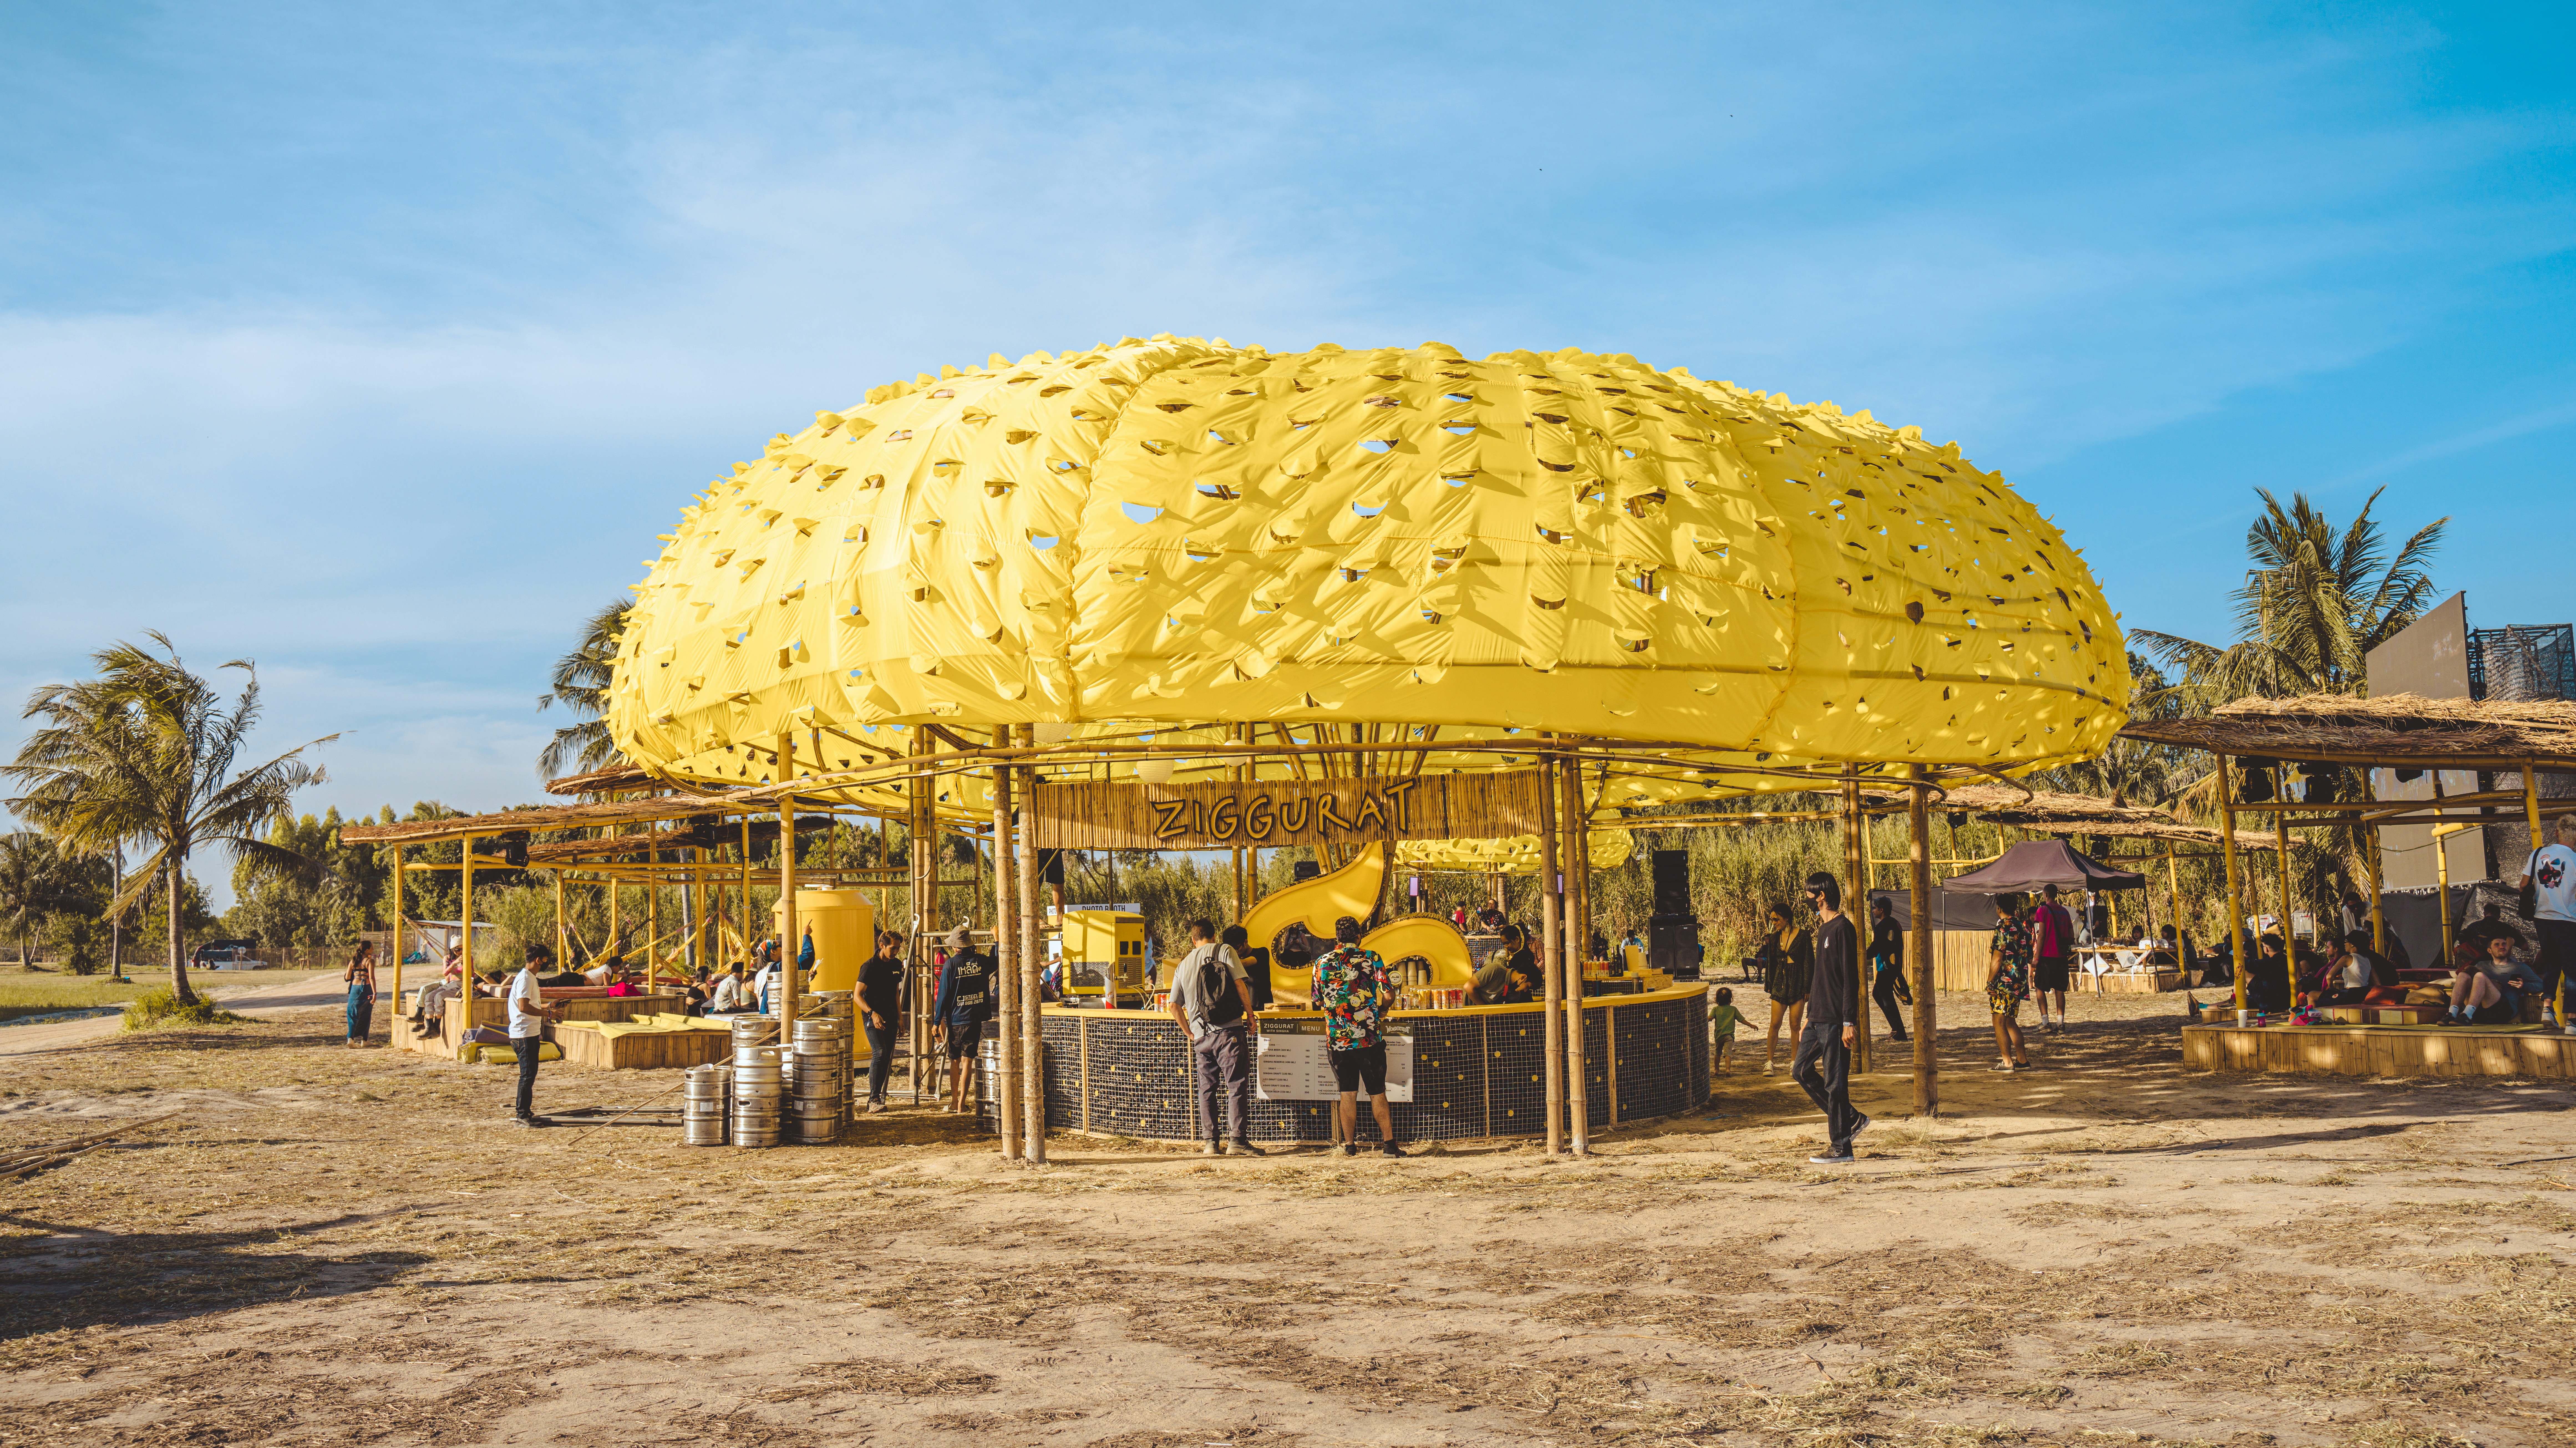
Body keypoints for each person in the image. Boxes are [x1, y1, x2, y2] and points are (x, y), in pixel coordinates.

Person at [1167, 917, 1263, 1156]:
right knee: (1236, 1085)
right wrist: (1250, 1015)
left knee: (1207, 1089)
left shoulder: (1183, 965)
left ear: (1193, 940)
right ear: (1214, 935)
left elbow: (1173, 1006)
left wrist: (1190, 1032)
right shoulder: (1225, 950)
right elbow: (1240, 985)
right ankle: (1237, 1141)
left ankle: (1211, 1143)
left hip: (1201, 1037)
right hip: (1229, 1031)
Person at [1310, 915, 1402, 1157]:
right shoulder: (1371, 958)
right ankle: (1389, 1146)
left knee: (1347, 1093)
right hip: (1369, 1039)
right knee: (1377, 1092)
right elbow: (1389, 994)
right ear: (1359, 936)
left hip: (1338, 1041)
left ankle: (1349, 1147)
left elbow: (1317, 1001)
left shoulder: (1321, 962)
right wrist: (1382, 1010)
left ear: (1337, 938)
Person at [1794, 872, 1867, 1164]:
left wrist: (1850, 1021)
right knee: (1800, 1071)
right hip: (1817, 1018)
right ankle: (1850, 1117)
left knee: (1835, 1083)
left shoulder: (1842, 928)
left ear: (1821, 896)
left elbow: (1851, 978)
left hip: (1837, 1020)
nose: (1807, 900)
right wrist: (1808, 1018)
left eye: (1809, 895)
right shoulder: (1823, 929)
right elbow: (1819, 978)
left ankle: (1841, 1147)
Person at [2511, 813, 2576, 1030]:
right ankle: (2573, 1020)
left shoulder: (2538, 853)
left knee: (2552, 963)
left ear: (2556, 833)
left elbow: (2523, 885)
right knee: (2572, 968)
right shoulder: (2575, 859)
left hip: (2542, 918)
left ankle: (2547, 1009)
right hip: (2568, 919)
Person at [931, 925, 995, 1114]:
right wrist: (997, 940)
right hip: (974, 1018)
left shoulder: (950, 965)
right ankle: (962, 1104)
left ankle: (954, 1102)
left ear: (955, 946)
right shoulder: (980, 961)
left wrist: (937, 1021)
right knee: (968, 1061)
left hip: (956, 1019)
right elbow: (999, 960)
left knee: (954, 1060)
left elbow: (943, 995)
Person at [506, 944, 565, 1126]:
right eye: (546, 960)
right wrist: (549, 1015)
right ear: (539, 960)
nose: (547, 963)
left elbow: (530, 1005)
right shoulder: (526, 979)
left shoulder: (528, 977)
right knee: (527, 1075)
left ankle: (525, 1112)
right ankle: (522, 1115)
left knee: (529, 1074)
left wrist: (550, 1006)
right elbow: (523, 1007)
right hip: (523, 1034)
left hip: (528, 1033)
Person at [1753, 904, 1811, 1075]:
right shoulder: (1774, 937)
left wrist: (1807, 987)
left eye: (1776, 919)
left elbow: (1809, 962)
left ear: (1787, 918)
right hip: (1780, 983)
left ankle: (1795, 1063)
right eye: (1772, 919)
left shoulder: (1803, 935)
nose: (1774, 922)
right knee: (1775, 1024)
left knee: (1795, 1025)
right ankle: (1769, 1063)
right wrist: (1769, 985)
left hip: (1798, 982)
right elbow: (1771, 963)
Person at [858, 932, 906, 1112]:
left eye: (898, 948)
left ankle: (877, 1098)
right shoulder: (869, 966)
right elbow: (857, 995)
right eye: (893, 948)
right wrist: (872, 1013)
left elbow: (896, 993)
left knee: (886, 1057)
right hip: (873, 1018)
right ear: (882, 946)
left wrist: (900, 1018)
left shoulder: (896, 964)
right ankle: (873, 1100)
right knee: (880, 1052)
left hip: (891, 1017)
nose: (896, 951)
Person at [1985, 893, 2033, 1071]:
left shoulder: (2003, 928)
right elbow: (2030, 956)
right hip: (2019, 982)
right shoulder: (2023, 927)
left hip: (2003, 984)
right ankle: (2023, 1061)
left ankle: (2007, 1063)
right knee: (2010, 1022)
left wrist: (1990, 982)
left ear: (1999, 908)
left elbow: (1997, 959)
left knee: (1999, 1022)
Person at [2446, 931, 2532, 1026]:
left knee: (2480, 976)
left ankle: (2467, 1015)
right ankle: (2452, 1013)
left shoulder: (2520, 967)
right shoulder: (2482, 965)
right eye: (2497, 945)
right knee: (2463, 975)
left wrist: (2524, 986)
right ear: (2489, 950)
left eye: (2504, 944)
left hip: (2502, 1012)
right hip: (2477, 1013)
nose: (2502, 947)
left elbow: (2541, 985)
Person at [2029, 885, 2076, 1033]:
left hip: (2047, 956)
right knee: (2060, 989)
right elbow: (2071, 936)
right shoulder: (2065, 911)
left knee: (2039, 987)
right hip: (2062, 957)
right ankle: (2060, 1023)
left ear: (2045, 894)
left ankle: (2045, 1022)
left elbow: (2041, 935)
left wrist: (2037, 957)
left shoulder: (2042, 911)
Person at [1864, 895, 1910, 1043]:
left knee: (1886, 998)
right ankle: (1896, 1029)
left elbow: (1876, 947)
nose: (1873, 911)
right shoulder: (1895, 923)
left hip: (1886, 967)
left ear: (1882, 910)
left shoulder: (1882, 926)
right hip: (1893, 966)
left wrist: (1863, 955)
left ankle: (1900, 1032)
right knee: (1878, 994)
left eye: (1875, 908)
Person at [1221, 924, 1272, 1012]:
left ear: (1246, 942)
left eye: (1237, 948)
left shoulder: (1262, 952)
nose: (1235, 952)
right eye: (1232, 950)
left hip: (1263, 1008)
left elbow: (1244, 963)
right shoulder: (1233, 960)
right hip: (1242, 1009)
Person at [342, 941, 378, 1049]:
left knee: (352, 1013)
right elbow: (371, 978)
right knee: (367, 1014)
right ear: (367, 950)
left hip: (355, 989)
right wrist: (375, 993)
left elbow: (347, 978)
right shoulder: (370, 961)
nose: (373, 949)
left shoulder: (353, 961)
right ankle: (365, 1040)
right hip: (367, 989)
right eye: (372, 948)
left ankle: (351, 1039)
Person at [2249, 935, 2293, 1014]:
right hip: (2288, 999)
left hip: (2269, 1003)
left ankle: (2235, 995)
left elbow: (2248, 965)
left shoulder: (2267, 963)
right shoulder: (2289, 960)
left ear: (2266, 949)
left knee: (2243, 970)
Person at [1707, 986, 1744, 1075]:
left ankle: (1717, 1070)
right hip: (1729, 1036)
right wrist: (1751, 1025)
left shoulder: (1716, 1009)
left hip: (1719, 1036)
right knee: (1728, 1053)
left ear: (1718, 1000)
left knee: (1718, 1053)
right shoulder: (1734, 1010)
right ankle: (1728, 1070)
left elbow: (1710, 1018)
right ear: (1730, 999)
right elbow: (1742, 1020)